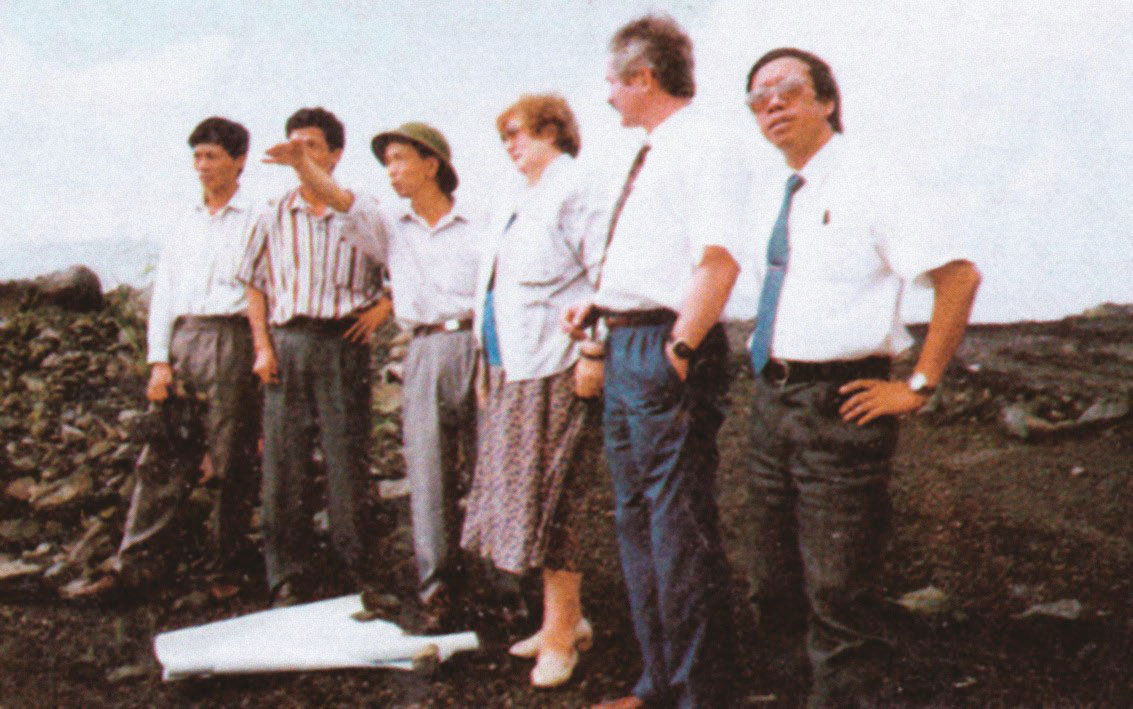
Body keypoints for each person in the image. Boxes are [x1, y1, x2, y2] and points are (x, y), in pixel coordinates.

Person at [741, 48, 981, 707]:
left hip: (839, 406)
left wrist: (918, 385)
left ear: (827, 100)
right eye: (757, 98)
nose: (771, 104)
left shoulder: (871, 180)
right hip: (771, 402)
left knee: (838, 591)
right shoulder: (781, 193)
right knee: (771, 582)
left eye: (787, 90)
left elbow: (958, 277)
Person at [563, 15, 744, 709]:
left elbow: (718, 259)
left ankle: (701, 693)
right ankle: (659, 685)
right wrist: (602, 303)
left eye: (612, 81)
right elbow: (655, 257)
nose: (606, 95)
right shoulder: (651, 152)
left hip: (664, 348)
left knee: (676, 528)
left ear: (642, 77)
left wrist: (680, 348)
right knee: (637, 520)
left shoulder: (703, 144)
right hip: (625, 340)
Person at [269, 121, 479, 631]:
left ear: (432, 164)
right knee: (427, 475)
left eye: (400, 160)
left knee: (488, 468)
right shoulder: (390, 226)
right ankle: (437, 590)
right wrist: (302, 165)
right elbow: (340, 200)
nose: (391, 172)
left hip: (477, 344)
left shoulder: (480, 222)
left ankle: (502, 585)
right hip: (423, 347)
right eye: (387, 163)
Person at [65, 117, 261, 599]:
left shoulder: (259, 218)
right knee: (162, 455)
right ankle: (136, 566)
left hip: (233, 338)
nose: (202, 166)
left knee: (231, 458)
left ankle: (224, 570)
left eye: (212, 156)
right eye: (197, 156)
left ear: (239, 160)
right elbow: (166, 293)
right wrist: (159, 361)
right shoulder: (183, 220)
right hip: (184, 338)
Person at [461, 94, 606, 688]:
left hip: (556, 365)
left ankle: (561, 634)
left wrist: (593, 351)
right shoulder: (519, 196)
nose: (510, 147)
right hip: (513, 368)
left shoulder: (577, 187)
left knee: (556, 502)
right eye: (504, 138)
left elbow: (604, 275)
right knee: (528, 503)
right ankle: (562, 621)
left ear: (552, 131)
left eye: (518, 134)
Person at [237, 107, 391, 607]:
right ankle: (287, 575)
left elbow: (400, 263)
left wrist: (384, 308)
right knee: (284, 461)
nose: (299, 154)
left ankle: (355, 571)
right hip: (289, 342)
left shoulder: (359, 209)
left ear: (335, 154)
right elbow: (254, 283)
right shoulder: (272, 212)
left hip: (344, 341)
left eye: (310, 146)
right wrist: (262, 346)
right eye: (293, 145)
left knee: (347, 459)